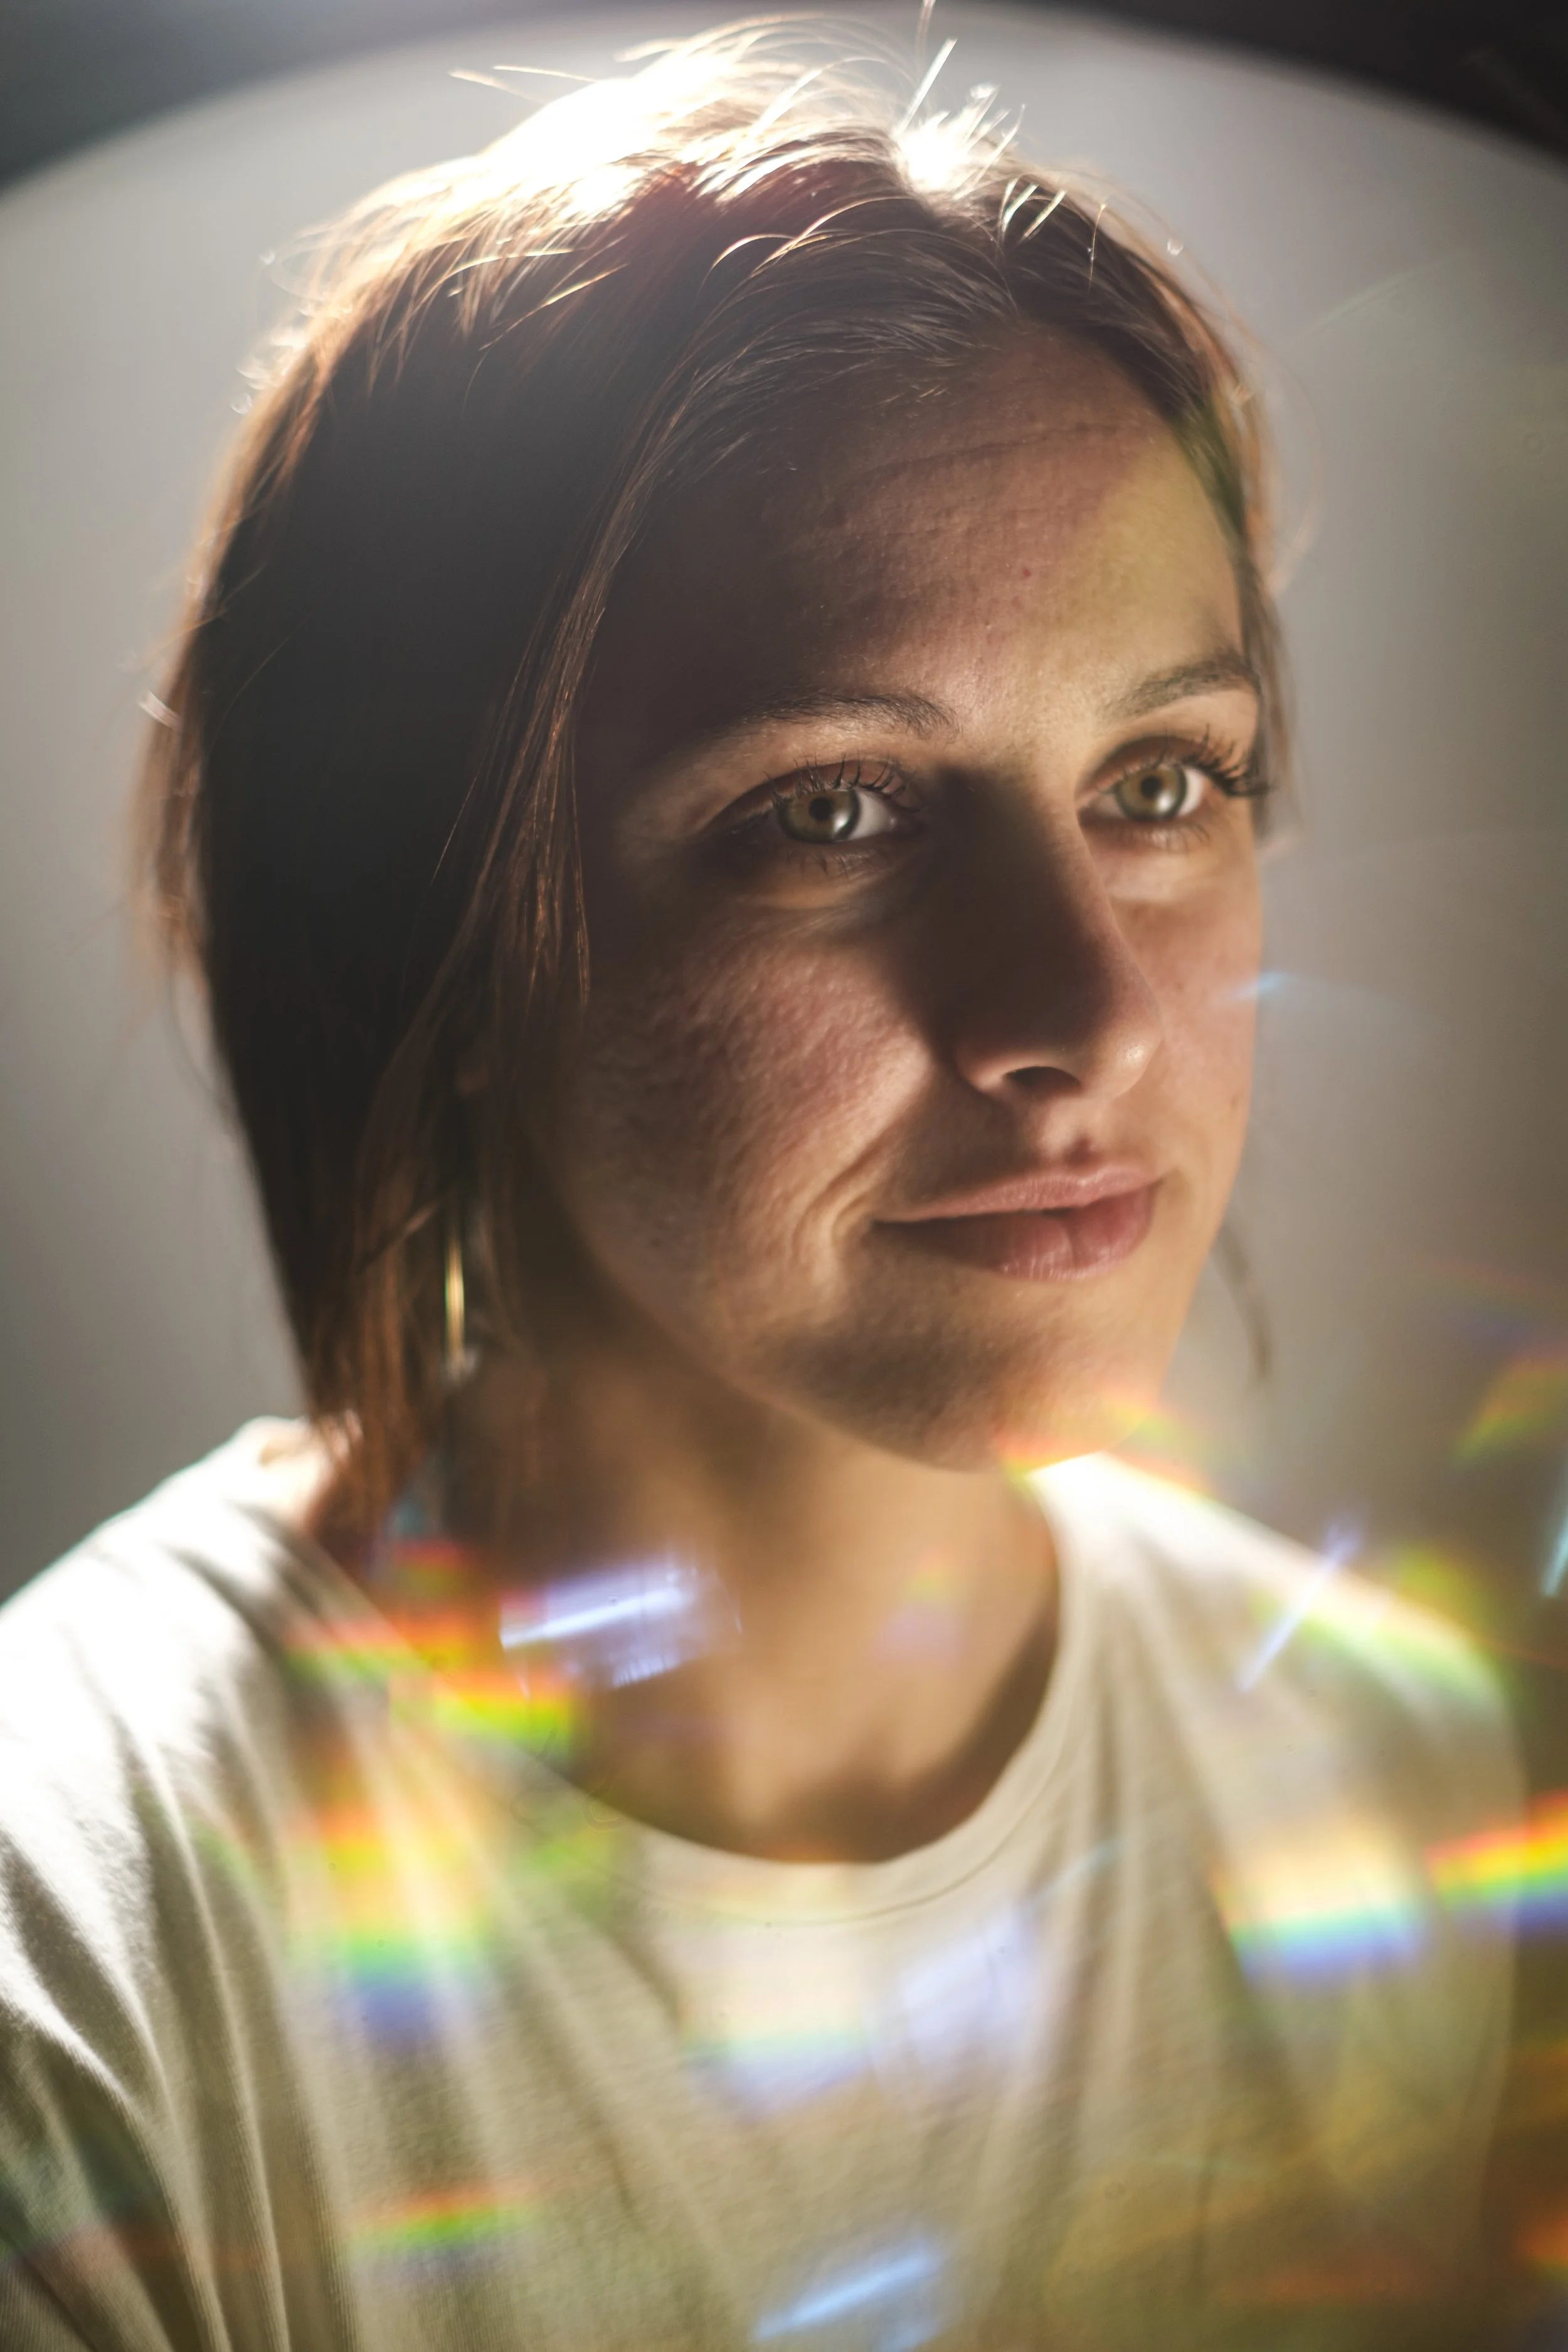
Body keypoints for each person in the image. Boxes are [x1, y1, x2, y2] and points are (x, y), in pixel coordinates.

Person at [0, 25, 1523, 2351]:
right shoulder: (77, 1949)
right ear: (445, 932)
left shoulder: (1397, 1783)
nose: (1088, 1012)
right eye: (829, 811)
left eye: (1162, 779)